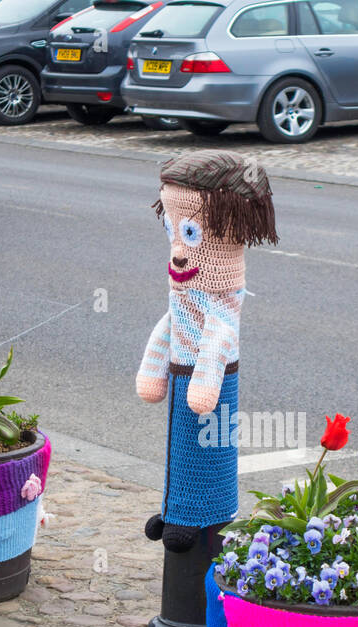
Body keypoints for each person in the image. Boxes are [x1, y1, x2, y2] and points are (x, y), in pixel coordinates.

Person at [136, 150, 277, 552]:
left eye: (191, 234)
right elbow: (170, 325)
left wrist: (204, 381)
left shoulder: (221, 305)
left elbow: (218, 340)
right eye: (174, 233)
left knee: (205, 448)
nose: (179, 250)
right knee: (180, 445)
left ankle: (199, 520)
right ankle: (174, 507)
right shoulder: (182, 296)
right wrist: (154, 370)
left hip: (208, 388)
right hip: (184, 374)